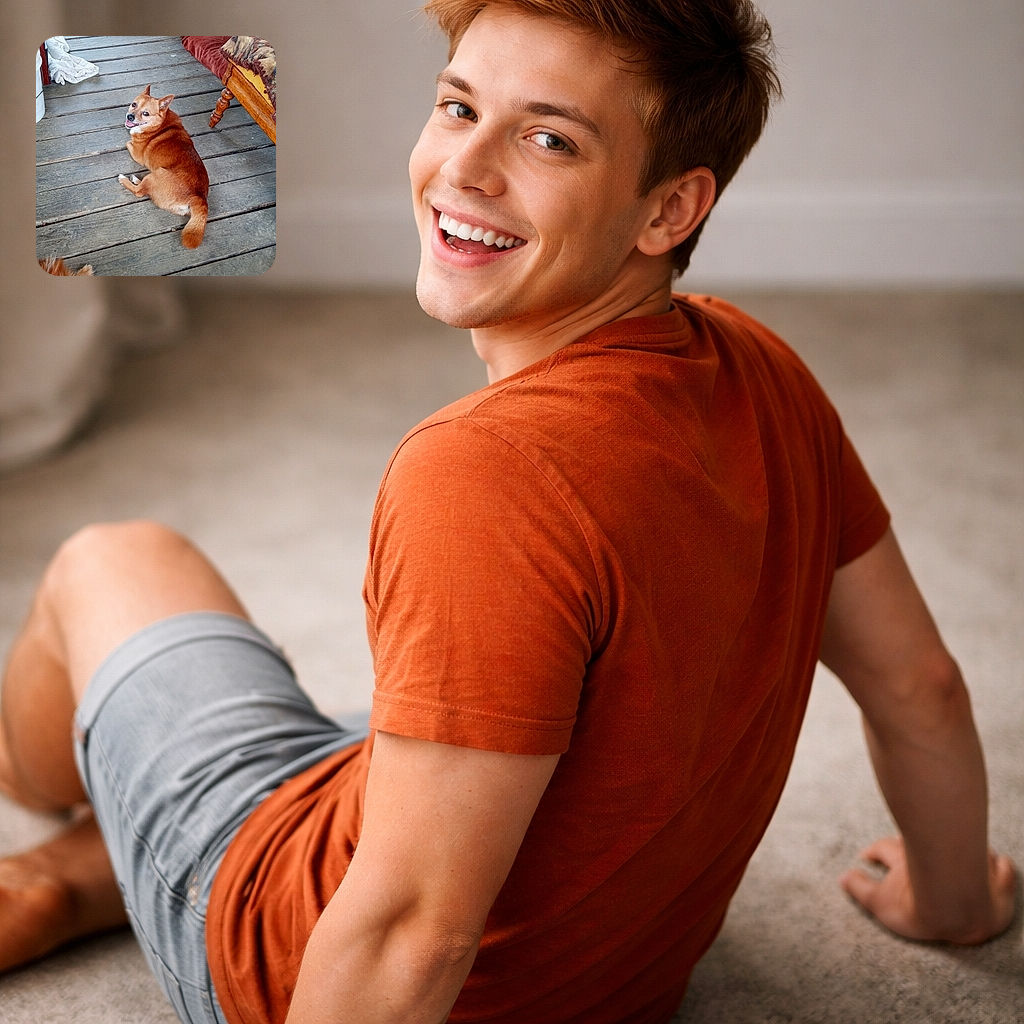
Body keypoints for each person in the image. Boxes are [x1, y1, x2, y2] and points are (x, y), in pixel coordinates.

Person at [0, 2, 1016, 1022]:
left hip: (280, 962)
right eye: (457, 107)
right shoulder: (763, 368)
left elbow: (410, 927)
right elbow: (918, 686)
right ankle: (78, 871)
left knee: (110, 558)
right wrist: (951, 900)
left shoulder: (482, 476)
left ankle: (47, 784)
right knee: (410, 736)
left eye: (548, 138)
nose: (465, 169)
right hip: (614, 981)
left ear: (669, 210)